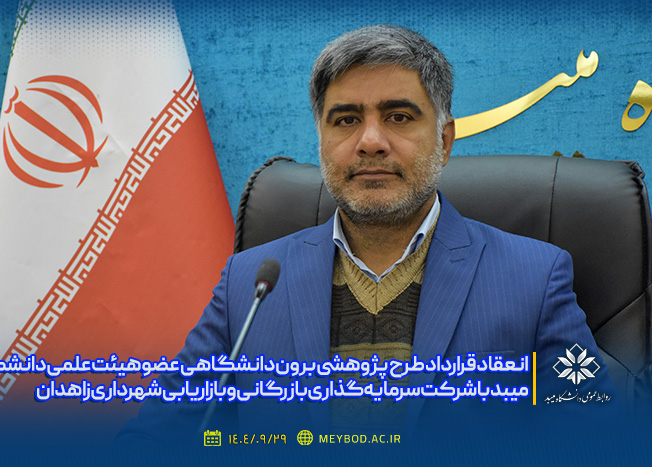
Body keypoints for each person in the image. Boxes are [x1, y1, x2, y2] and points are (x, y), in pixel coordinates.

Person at [117, 25, 614, 445]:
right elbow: (156, 437)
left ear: (444, 141)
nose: (371, 142)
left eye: (398, 117)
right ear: (322, 141)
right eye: (346, 120)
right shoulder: (250, 284)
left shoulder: (534, 277)